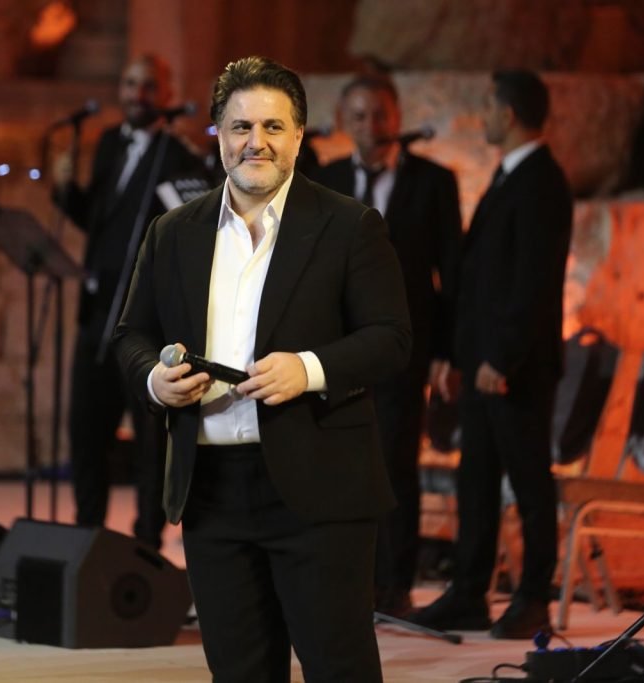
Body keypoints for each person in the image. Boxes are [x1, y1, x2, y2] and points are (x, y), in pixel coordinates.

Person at [113, 56, 412, 682]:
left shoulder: (349, 225)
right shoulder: (173, 231)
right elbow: (130, 334)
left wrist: (309, 368)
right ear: (218, 135)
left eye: (274, 127)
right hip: (211, 492)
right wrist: (154, 381)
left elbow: (391, 339)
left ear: (299, 136)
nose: (257, 142)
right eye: (241, 126)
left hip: (319, 489)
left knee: (340, 670)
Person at [409, 69, 573, 639]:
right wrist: (456, 354)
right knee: (476, 480)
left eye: (488, 106)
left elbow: (532, 283)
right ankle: (468, 592)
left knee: (529, 482)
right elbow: (478, 278)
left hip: (513, 370)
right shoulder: (508, 177)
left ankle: (533, 597)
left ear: (508, 114)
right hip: (481, 365)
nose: (483, 117)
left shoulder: (541, 183)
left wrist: (502, 359)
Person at [316, 74, 461, 617]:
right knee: (340, 464)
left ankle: (396, 583)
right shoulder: (326, 179)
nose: (371, 126)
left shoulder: (434, 182)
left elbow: (452, 273)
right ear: (344, 121)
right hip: (338, 349)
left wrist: (449, 351)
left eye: (380, 114)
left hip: (404, 346)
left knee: (396, 462)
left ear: (397, 117)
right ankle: (346, 579)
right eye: (359, 116)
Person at [52, 54, 204, 546]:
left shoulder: (177, 156)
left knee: (149, 437)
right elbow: (100, 223)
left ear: (167, 94)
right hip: (98, 310)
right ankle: (86, 536)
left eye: (149, 86)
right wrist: (65, 191)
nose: (138, 95)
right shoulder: (109, 144)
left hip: (145, 322)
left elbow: (187, 232)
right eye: (131, 83)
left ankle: (146, 544)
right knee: (86, 428)